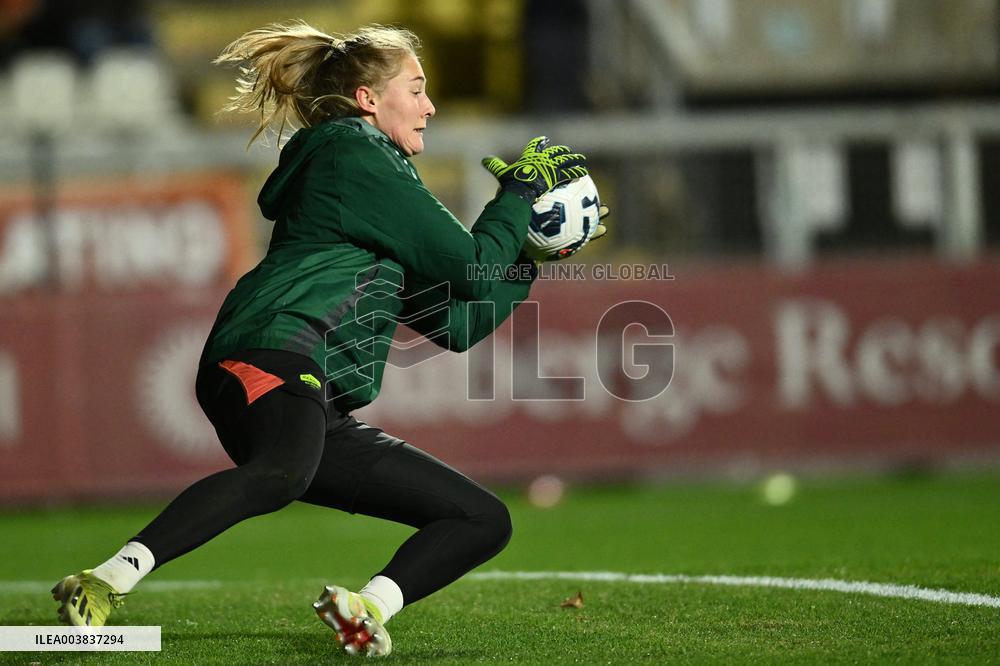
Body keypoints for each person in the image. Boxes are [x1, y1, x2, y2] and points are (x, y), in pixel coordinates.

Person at [50, 21, 605, 657]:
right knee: (282, 473)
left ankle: (366, 607)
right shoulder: (353, 153)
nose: (430, 105)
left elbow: (458, 323)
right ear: (369, 99)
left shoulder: (378, 184)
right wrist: (519, 194)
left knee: (481, 518)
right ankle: (103, 581)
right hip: (271, 353)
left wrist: (526, 258)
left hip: (310, 391)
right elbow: (464, 263)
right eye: (417, 89)